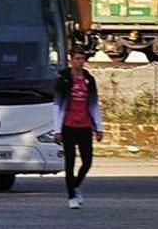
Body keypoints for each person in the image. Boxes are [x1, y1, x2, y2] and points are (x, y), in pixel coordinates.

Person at [53, 49, 103, 209]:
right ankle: (71, 196)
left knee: (87, 162)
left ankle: (75, 185)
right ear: (71, 60)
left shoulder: (89, 80)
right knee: (70, 162)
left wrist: (98, 127)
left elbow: (94, 104)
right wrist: (57, 130)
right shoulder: (64, 80)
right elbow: (57, 106)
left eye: (82, 59)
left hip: (85, 126)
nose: (80, 62)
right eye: (77, 59)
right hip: (68, 126)